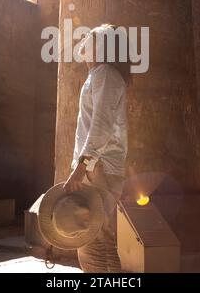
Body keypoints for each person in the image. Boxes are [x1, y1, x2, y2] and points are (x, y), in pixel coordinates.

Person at [63, 24, 131, 273]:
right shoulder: (101, 73)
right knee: (97, 239)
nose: (85, 46)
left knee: (94, 241)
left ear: (103, 46)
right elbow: (81, 51)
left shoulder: (105, 74)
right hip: (98, 167)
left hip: (99, 168)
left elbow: (100, 128)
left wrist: (82, 167)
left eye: (91, 40)